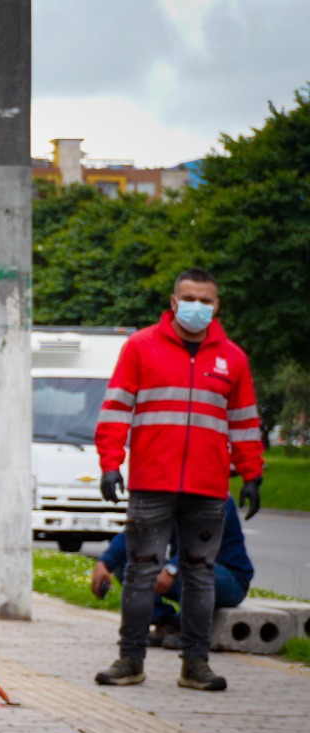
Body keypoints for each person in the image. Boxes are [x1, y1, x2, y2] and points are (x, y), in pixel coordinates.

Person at [94, 268, 264, 691]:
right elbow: (116, 409)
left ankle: (196, 666)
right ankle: (129, 660)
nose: (197, 307)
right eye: (189, 298)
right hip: (152, 481)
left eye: (205, 300)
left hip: (207, 488)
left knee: (201, 575)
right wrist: (111, 463)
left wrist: (251, 474)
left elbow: (244, 422)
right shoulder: (140, 347)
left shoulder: (234, 359)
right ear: (173, 303)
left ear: (216, 306)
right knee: (140, 573)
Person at [92, 496, 254, 648]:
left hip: (229, 580)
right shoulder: (167, 495)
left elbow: (200, 544)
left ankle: (183, 627)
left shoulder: (218, 498)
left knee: (191, 568)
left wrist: (171, 569)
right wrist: (104, 563)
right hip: (185, 568)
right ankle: (164, 621)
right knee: (127, 560)